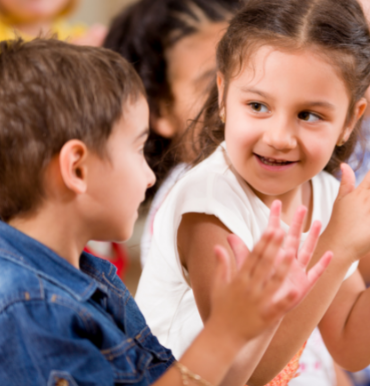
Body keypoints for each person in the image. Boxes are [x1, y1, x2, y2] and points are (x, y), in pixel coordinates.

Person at [135, 0, 370, 386]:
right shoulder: (208, 205)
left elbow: (351, 343)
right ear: (223, 95)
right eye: (257, 106)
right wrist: (338, 245)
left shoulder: (325, 193)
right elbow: (239, 372)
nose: (278, 136)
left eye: (309, 115)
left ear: (350, 120)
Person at [0, 37, 331, 386]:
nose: (150, 176)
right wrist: (224, 333)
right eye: (138, 149)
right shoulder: (30, 308)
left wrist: (264, 315)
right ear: (77, 169)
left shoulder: (89, 275)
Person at [103, 0, 244, 265]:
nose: (243, 95)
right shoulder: (196, 201)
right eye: (211, 82)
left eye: (248, 72)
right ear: (158, 110)